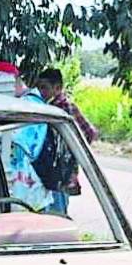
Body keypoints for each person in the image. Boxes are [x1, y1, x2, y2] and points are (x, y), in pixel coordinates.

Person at [0, 61, 53, 211]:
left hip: (28, 195)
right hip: (29, 195)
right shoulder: (26, 103)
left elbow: (17, 145)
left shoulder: (26, 107)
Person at [36, 67, 98, 214]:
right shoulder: (46, 107)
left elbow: (90, 132)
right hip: (52, 169)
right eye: (39, 88)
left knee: (57, 212)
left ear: (57, 88)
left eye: (45, 88)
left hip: (62, 170)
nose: (41, 92)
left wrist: (72, 153)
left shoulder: (64, 108)